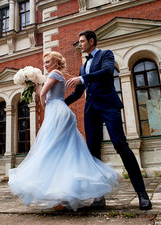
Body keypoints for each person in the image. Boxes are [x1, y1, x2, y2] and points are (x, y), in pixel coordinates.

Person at [8, 51, 119, 211]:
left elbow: (44, 94)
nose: (45, 65)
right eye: (44, 62)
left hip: (57, 111)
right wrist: (33, 86)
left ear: (55, 62)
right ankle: (63, 196)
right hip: (57, 109)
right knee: (62, 150)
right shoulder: (54, 74)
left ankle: (62, 196)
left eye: (48, 62)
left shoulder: (55, 73)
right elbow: (43, 91)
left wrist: (42, 103)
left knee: (53, 147)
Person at [65, 30, 152, 210]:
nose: (79, 44)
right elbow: (78, 93)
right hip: (91, 111)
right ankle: (99, 197)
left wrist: (82, 78)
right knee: (93, 152)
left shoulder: (106, 55)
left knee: (120, 145)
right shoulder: (83, 66)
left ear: (91, 41)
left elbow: (106, 72)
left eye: (81, 41)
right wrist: (60, 103)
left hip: (109, 106)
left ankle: (142, 194)